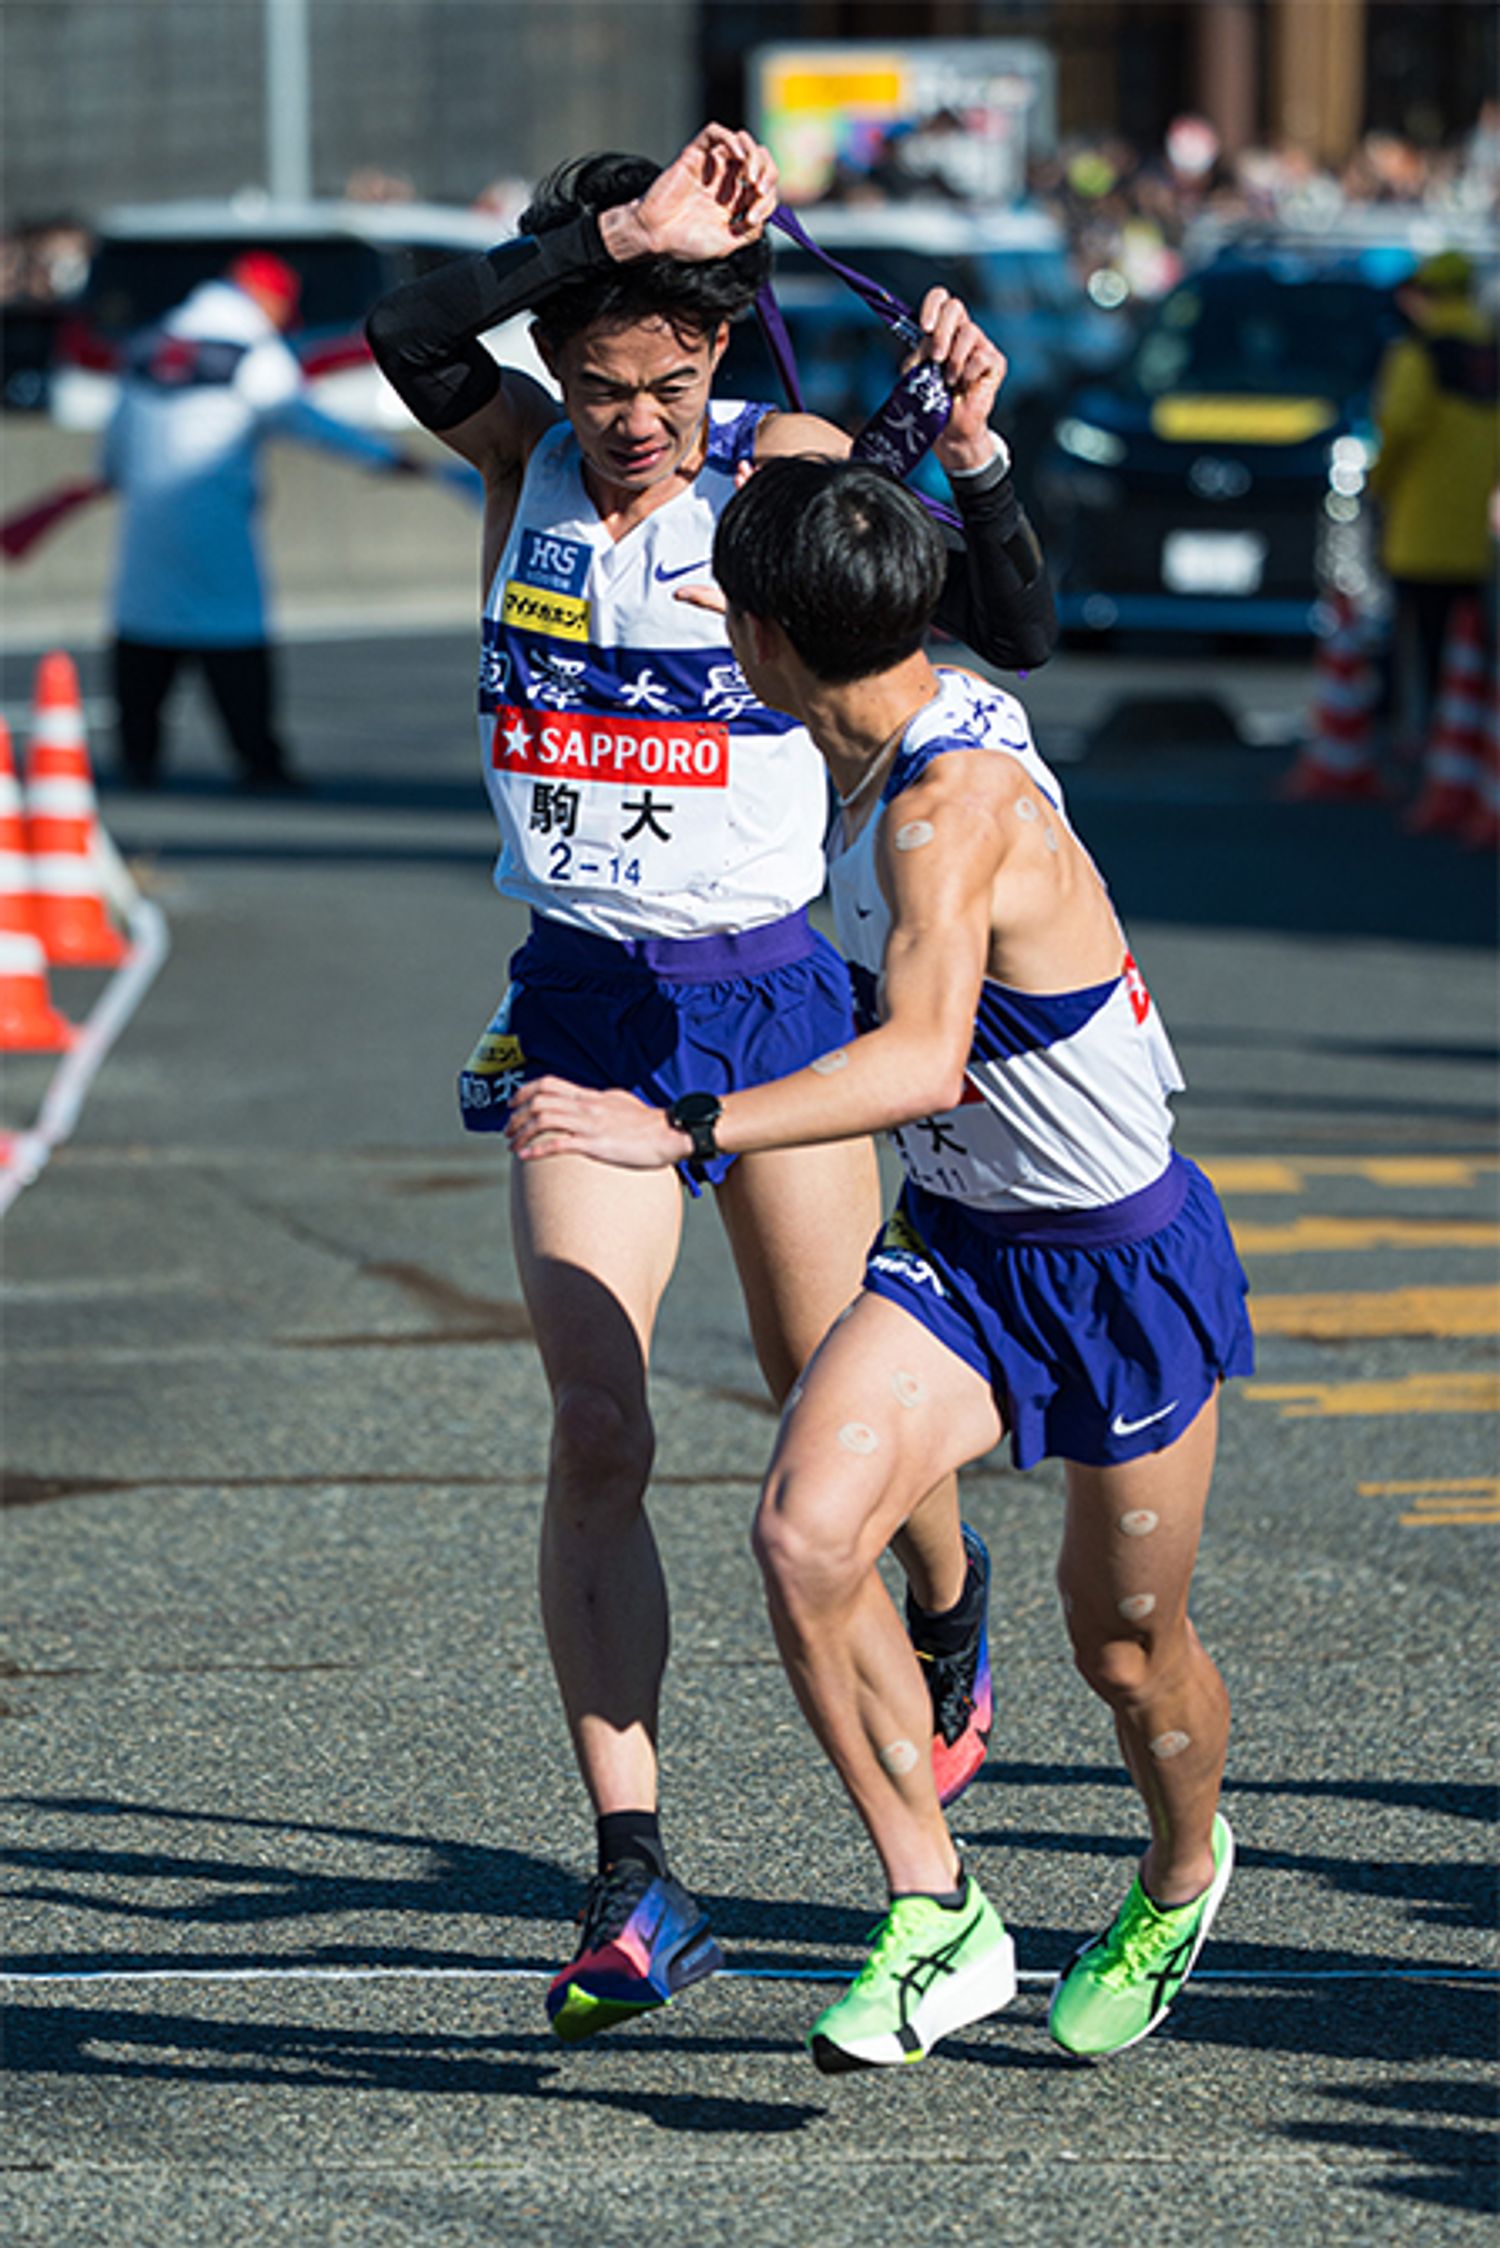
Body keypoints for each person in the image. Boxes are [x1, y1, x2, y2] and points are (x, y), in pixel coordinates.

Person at [364, 124, 1056, 2041]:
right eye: (602, 385)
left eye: (670, 382)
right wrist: (617, 230)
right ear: (556, 368)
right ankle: (634, 1870)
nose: (635, 424)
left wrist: (974, 452)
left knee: (834, 1406)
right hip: (582, 1008)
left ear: (724, 356)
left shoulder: (778, 473)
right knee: (599, 1427)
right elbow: (406, 329)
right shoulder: (516, 460)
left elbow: (1008, 624)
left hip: (771, 1005)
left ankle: (946, 1595)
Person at [508, 455, 1252, 2073]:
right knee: (803, 1531)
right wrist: (937, 476)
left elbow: (921, 1058)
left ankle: (1184, 1871)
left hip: (1117, 1261)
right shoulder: (872, 714)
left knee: (1125, 1647)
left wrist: (675, 1123)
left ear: (769, 640)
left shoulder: (942, 811)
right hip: (965, 1252)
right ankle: (937, 1906)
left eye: (734, 620)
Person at [103, 250, 425, 791]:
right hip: (216, 514)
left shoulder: (149, 344)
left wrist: (110, 475)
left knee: (145, 627)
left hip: (148, 518)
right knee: (231, 632)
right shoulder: (252, 352)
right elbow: (303, 418)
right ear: (266, 297)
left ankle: (138, 758)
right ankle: (258, 759)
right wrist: (382, 456)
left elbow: (118, 433)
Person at [1365, 250, 1500, 796]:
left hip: (1420, 525)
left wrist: (1378, 485)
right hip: (1479, 530)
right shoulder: (1489, 355)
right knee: (1472, 645)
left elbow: (1399, 426)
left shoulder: (1417, 353)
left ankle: (1422, 746)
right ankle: (1471, 745)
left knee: (1418, 644)